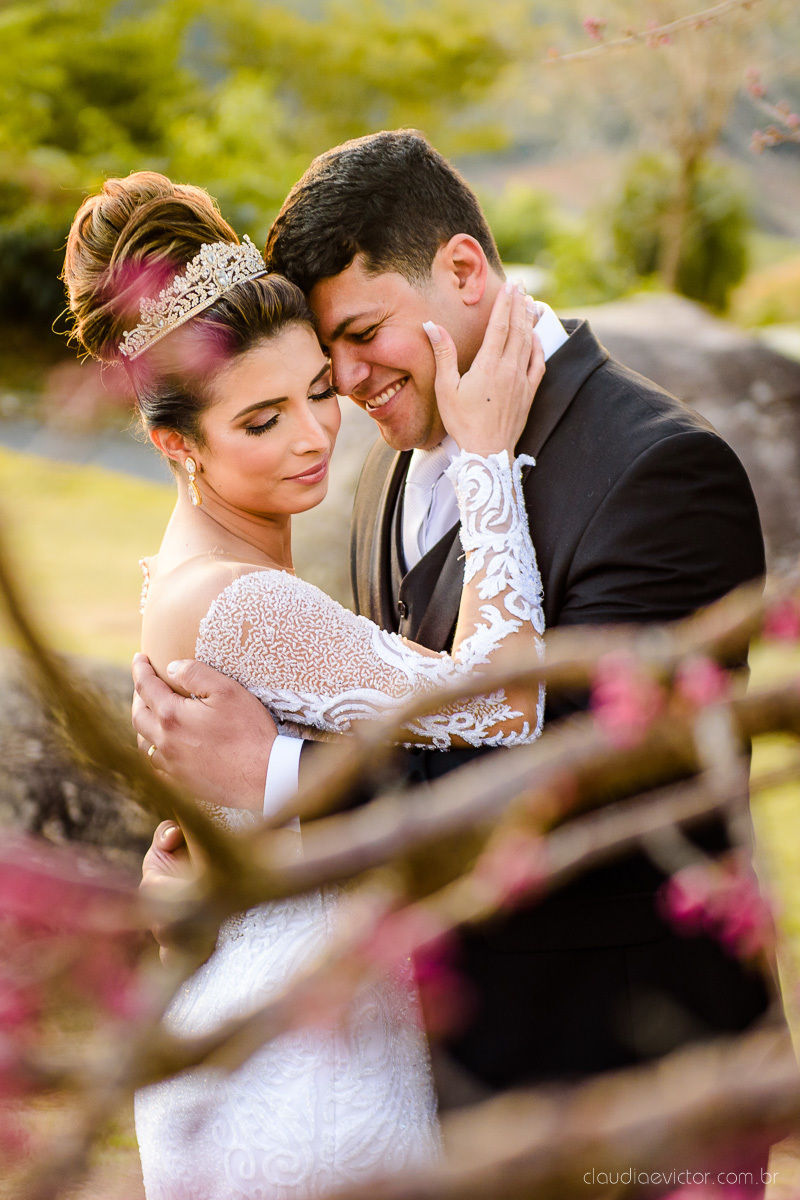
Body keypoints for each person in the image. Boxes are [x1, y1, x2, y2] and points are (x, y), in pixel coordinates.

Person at [133, 131, 780, 1134]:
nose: (342, 385)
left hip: (619, 1073)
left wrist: (280, 785)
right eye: (322, 357)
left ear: (464, 270)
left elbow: (583, 778)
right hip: (424, 1071)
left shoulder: (658, 472)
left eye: (361, 333)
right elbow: (409, 714)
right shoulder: (396, 462)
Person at [63, 169, 547, 1198]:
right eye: (261, 419)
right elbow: (502, 700)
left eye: (318, 392)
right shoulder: (241, 602)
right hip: (300, 1076)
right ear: (174, 443)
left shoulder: (200, 569)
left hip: (279, 1019)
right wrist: (488, 460)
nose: (315, 435)